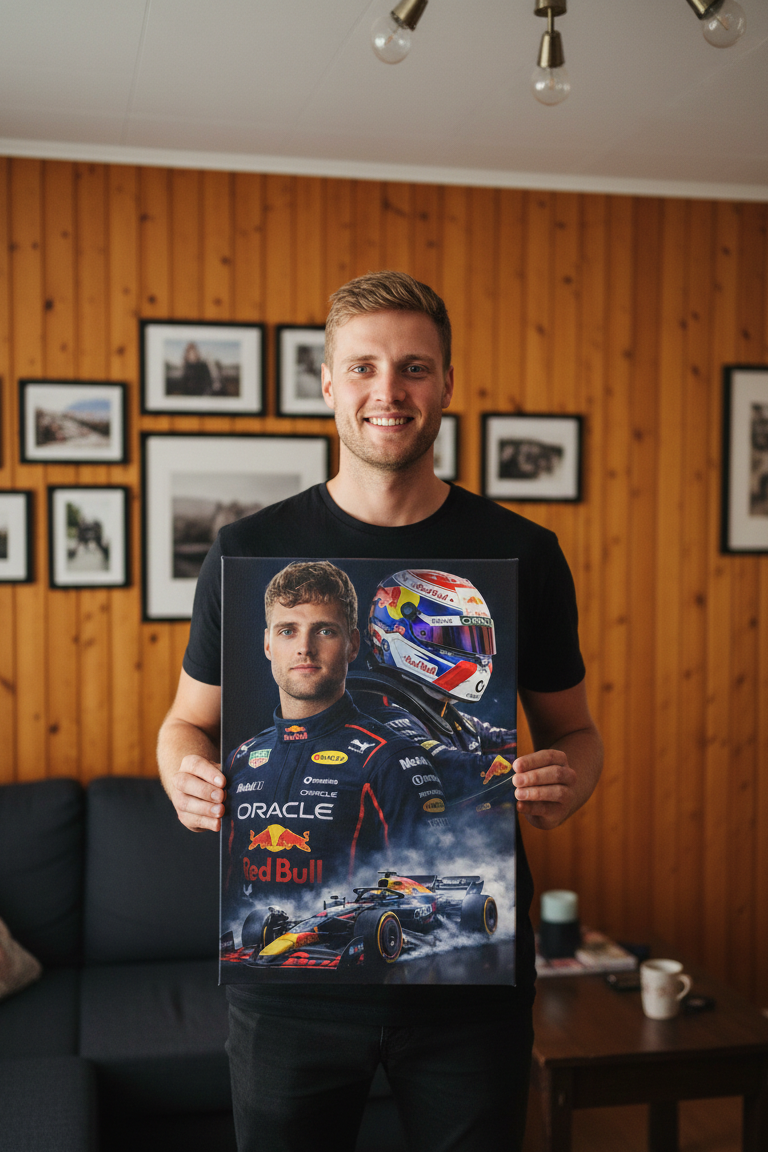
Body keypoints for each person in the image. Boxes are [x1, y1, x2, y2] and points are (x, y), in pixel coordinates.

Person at [158, 270, 603, 1152]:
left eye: (413, 368)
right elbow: (184, 724)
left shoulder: (523, 554)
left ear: (446, 384)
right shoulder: (247, 553)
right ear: (327, 385)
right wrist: (184, 776)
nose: (387, 392)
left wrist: (567, 783)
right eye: (362, 368)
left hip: (468, 992)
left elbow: (575, 735)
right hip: (287, 1001)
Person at [223, 559, 446, 919]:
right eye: (287, 631)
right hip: (252, 966)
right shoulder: (240, 760)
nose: (304, 648)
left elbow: (426, 899)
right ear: (267, 644)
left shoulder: (393, 758)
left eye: (324, 630)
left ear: (353, 644)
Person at [349, 566, 519, 810]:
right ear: (401, 633)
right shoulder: (376, 710)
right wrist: (534, 768)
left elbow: (505, 740)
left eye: (478, 639)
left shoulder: (434, 707)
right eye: (454, 638)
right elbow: (441, 765)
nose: (475, 653)